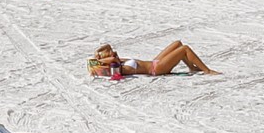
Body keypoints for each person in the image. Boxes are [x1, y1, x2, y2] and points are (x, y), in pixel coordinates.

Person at [88, 41, 217, 77]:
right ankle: (207, 70)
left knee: (178, 43)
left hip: (154, 62)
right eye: (111, 52)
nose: (114, 52)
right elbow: (94, 63)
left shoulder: (118, 60)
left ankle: (191, 67)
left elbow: (96, 59)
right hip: (156, 69)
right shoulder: (116, 65)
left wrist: (103, 53)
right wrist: (102, 58)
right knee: (185, 49)